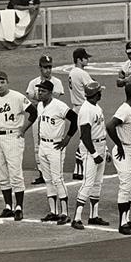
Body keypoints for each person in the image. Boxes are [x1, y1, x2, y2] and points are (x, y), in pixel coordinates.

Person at [0, 71, 37, 221]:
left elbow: (33, 112)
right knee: (1, 174)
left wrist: (23, 129)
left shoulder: (17, 97)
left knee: (15, 173)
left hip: (13, 137)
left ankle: (19, 207)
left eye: (2, 82)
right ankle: (8, 207)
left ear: (7, 82)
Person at [35, 80, 77, 225]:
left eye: (43, 91)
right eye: (39, 90)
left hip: (56, 146)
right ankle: (53, 212)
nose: (40, 93)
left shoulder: (59, 106)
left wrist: (67, 139)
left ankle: (65, 213)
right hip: (43, 146)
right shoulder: (40, 105)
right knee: (48, 179)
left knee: (57, 179)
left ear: (50, 92)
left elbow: (74, 119)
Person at [106, 82, 131, 235]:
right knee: (125, 186)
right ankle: (122, 224)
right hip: (125, 151)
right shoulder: (125, 110)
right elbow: (110, 126)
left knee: (130, 188)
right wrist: (119, 145)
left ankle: (126, 219)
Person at [71, 81, 109, 230]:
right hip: (90, 149)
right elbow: (85, 136)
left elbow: (100, 131)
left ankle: (93, 216)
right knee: (88, 183)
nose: (101, 93)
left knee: (97, 183)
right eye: (100, 92)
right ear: (95, 94)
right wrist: (94, 154)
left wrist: (104, 151)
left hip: (99, 146)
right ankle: (77, 218)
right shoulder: (86, 110)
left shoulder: (96, 107)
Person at [26, 54, 65, 185]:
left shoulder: (57, 82)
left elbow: (54, 99)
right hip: (38, 118)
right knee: (38, 145)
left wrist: (38, 100)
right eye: (45, 67)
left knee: (52, 143)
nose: (48, 70)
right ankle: (42, 173)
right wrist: (40, 100)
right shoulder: (33, 83)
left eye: (49, 67)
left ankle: (54, 173)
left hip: (53, 119)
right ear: (40, 68)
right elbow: (29, 101)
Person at [68, 48, 95, 180]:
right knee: (86, 136)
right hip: (84, 108)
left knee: (84, 136)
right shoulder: (81, 72)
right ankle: (79, 167)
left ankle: (78, 169)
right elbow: (93, 87)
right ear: (79, 59)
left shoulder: (73, 72)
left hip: (76, 107)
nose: (87, 59)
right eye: (85, 58)